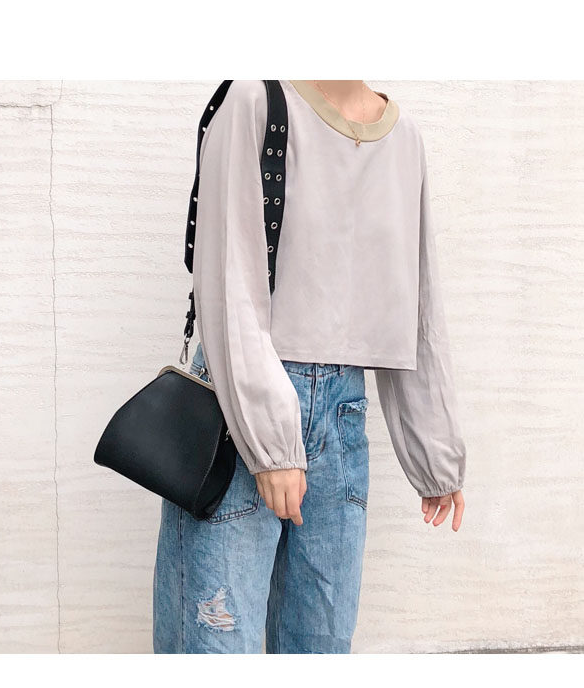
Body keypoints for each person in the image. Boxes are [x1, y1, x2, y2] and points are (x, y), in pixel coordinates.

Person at [152, 80, 467, 654]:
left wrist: (435, 451)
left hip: (342, 420)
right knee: (214, 646)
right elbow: (227, 282)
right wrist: (272, 442)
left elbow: (416, 300)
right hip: (240, 410)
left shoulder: (404, 139)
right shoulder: (255, 99)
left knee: (320, 648)